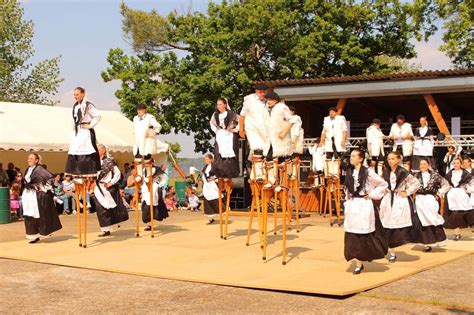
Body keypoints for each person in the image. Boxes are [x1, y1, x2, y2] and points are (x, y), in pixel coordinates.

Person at [343, 149, 389, 274]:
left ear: (361, 158)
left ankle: (362, 259)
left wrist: (372, 194)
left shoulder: (368, 172)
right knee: (352, 233)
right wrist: (348, 196)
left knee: (363, 234)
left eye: (353, 156)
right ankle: (358, 262)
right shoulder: (349, 171)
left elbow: (383, 184)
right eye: (351, 156)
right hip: (353, 206)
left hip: (364, 204)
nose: (351, 158)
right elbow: (348, 188)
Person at [379, 151, 421, 262]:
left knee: (397, 226)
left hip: (399, 200)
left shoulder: (403, 172)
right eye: (389, 159)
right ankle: (391, 252)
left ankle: (395, 247)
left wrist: (407, 192)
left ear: (398, 160)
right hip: (388, 199)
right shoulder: (386, 172)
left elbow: (416, 183)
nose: (390, 161)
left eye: (392, 159)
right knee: (387, 225)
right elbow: (383, 184)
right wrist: (384, 191)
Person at [22, 153, 62, 243]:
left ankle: (42, 232)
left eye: (31, 158)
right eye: (28, 158)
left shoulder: (39, 169)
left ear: (36, 160)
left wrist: (44, 188)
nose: (29, 160)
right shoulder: (28, 169)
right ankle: (33, 235)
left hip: (36, 196)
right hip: (28, 195)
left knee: (38, 214)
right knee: (29, 214)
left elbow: (51, 178)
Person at [413, 159, 449, 252]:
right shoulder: (415, 176)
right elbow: (409, 185)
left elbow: (446, 185)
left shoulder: (435, 176)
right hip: (420, 200)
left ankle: (436, 240)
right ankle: (426, 244)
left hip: (430, 199)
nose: (422, 166)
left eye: (424, 164)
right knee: (422, 220)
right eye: (421, 164)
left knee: (432, 218)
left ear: (428, 165)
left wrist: (438, 193)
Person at [92, 144, 129, 237]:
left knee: (109, 208)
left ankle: (112, 225)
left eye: (98, 149)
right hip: (98, 188)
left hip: (107, 188)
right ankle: (105, 229)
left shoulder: (109, 161)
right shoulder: (94, 161)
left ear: (103, 151)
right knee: (100, 208)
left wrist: (111, 183)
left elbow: (117, 173)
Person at [65, 87, 101, 177]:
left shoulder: (88, 105)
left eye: (77, 94)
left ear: (83, 94)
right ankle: (76, 171)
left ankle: (87, 171)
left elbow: (97, 116)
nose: (75, 96)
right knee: (75, 150)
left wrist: (90, 125)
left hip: (85, 131)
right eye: (74, 94)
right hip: (78, 131)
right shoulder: (76, 105)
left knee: (85, 149)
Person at [239, 83, 269, 180]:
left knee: (266, 151)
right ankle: (258, 173)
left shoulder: (268, 101)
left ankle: (261, 172)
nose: (262, 94)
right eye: (260, 92)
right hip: (252, 128)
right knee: (257, 148)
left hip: (264, 130)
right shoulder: (249, 100)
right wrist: (241, 129)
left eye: (264, 92)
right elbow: (242, 115)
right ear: (256, 92)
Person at [133, 104, 169, 182]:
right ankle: (139, 174)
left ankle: (149, 175)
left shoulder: (149, 117)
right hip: (138, 141)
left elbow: (158, 126)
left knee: (147, 159)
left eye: (141, 109)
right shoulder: (135, 118)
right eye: (138, 109)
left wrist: (152, 132)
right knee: (137, 159)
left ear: (145, 110)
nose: (139, 111)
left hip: (147, 142)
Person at [210, 97, 240, 180]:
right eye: (217, 104)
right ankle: (219, 173)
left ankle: (229, 173)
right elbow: (212, 123)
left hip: (229, 135)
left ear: (225, 105)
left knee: (229, 154)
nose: (218, 106)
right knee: (218, 153)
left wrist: (235, 129)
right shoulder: (215, 115)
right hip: (220, 135)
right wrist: (216, 131)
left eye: (220, 104)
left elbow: (241, 121)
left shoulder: (231, 114)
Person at [444, 158, 473, 240]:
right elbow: (446, 184)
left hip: (461, 195)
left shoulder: (466, 174)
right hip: (452, 195)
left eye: (457, 163)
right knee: (454, 214)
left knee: (465, 214)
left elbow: (471, 184)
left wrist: (467, 190)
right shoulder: (449, 173)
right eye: (454, 163)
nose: (456, 164)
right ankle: (457, 233)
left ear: (461, 164)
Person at [319, 107, 348, 176]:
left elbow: (344, 130)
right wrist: (321, 141)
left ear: (336, 112)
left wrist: (343, 140)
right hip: (329, 140)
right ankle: (329, 174)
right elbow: (324, 131)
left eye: (332, 111)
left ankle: (336, 175)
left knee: (337, 158)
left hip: (338, 140)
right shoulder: (326, 119)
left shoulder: (340, 118)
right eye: (330, 112)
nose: (331, 113)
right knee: (328, 157)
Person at [141, 164, 169, 231]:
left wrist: (158, 185)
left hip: (153, 189)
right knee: (145, 205)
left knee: (152, 206)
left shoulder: (156, 169)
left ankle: (150, 224)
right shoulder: (144, 169)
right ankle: (148, 224)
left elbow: (164, 178)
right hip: (145, 189)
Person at [201, 153, 219, 224]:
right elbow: (204, 175)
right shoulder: (205, 167)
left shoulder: (214, 167)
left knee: (215, 198)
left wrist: (214, 178)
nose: (205, 161)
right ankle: (210, 217)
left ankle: (221, 211)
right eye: (205, 159)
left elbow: (218, 175)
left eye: (206, 159)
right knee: (207, 201)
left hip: (212, 185)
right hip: (206, 186)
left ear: (211, 159)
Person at [288, 106, 304, 179]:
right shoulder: (286, 119)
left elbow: (297, 129)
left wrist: (294, 138)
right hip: (287, 140)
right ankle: (288, 173)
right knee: (288, 158)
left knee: (294, 157)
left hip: (294, 139)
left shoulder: (296, 118)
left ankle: (294, 174)